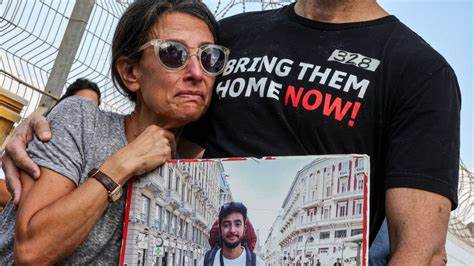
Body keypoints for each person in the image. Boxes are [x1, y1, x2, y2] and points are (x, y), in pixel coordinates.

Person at [2, 0, 461, 264]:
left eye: (205, 61)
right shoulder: (232, 36)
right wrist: (48, 128)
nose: (198, 69)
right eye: (180, 56)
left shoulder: (419, 72)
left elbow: (420, 252)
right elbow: (162, 129)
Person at [0, 0, 227, 264]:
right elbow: (31, 252)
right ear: (131, 72)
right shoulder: (83, 120)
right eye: (174, 54)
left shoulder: (194, 172)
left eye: (209, 57)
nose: (197, 73)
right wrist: (124, 162)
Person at [199, 202, 264, 266]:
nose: (232, 230)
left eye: (237, 224)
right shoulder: (206, 262)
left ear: (244, 229)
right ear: (220, 229)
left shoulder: (258, 263)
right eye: (226, 225)